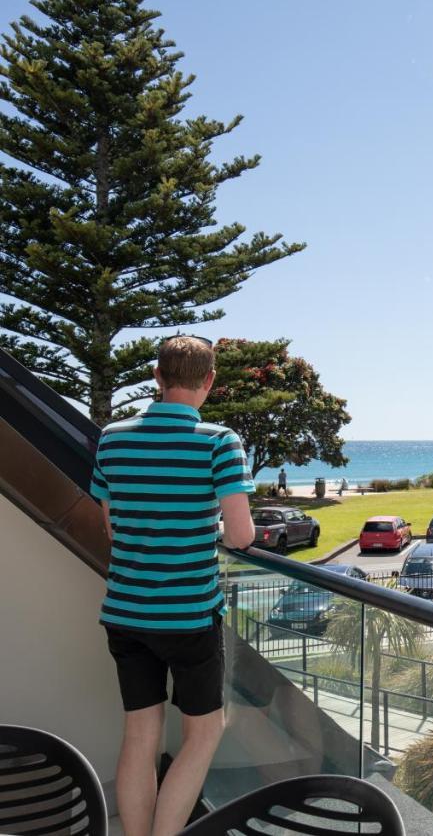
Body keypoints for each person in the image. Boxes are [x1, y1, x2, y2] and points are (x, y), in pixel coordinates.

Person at [90, 336, 255, 836]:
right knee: (204, 733)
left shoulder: (113, 438)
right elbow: (242, 535)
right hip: (189, 617)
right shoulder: (218, 440)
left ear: (157, 378)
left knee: (140, 734)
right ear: (208, 382)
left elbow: (113, 528)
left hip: (126, 613)